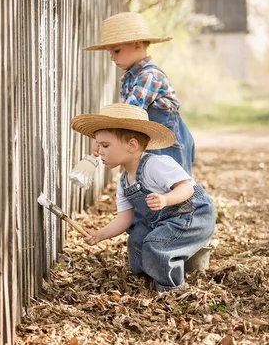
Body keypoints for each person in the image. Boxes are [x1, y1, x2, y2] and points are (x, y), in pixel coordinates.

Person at [71, 103, 215, 292]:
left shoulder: (155, 164)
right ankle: (146, 279)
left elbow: (186, 188)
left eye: (105, 145)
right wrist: (100, 235)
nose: (99, 152)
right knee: (137, 239)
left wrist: (166, 200)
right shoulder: (124, 182)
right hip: (164, 221)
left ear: (132, 145)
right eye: (98, 145)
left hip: (192, 215)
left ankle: (171, 289)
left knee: (157, 244)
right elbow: (124, 220)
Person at [85, 11, 196, 175]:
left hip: (168, 141)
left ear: (137, 45)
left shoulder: (149, 76)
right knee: (149, 179)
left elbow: (130, 113)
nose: (112, 58)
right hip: (148, 140)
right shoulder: (130, 78)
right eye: (110, 53)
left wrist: (100, 138)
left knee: (173, 179)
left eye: (116, 51)